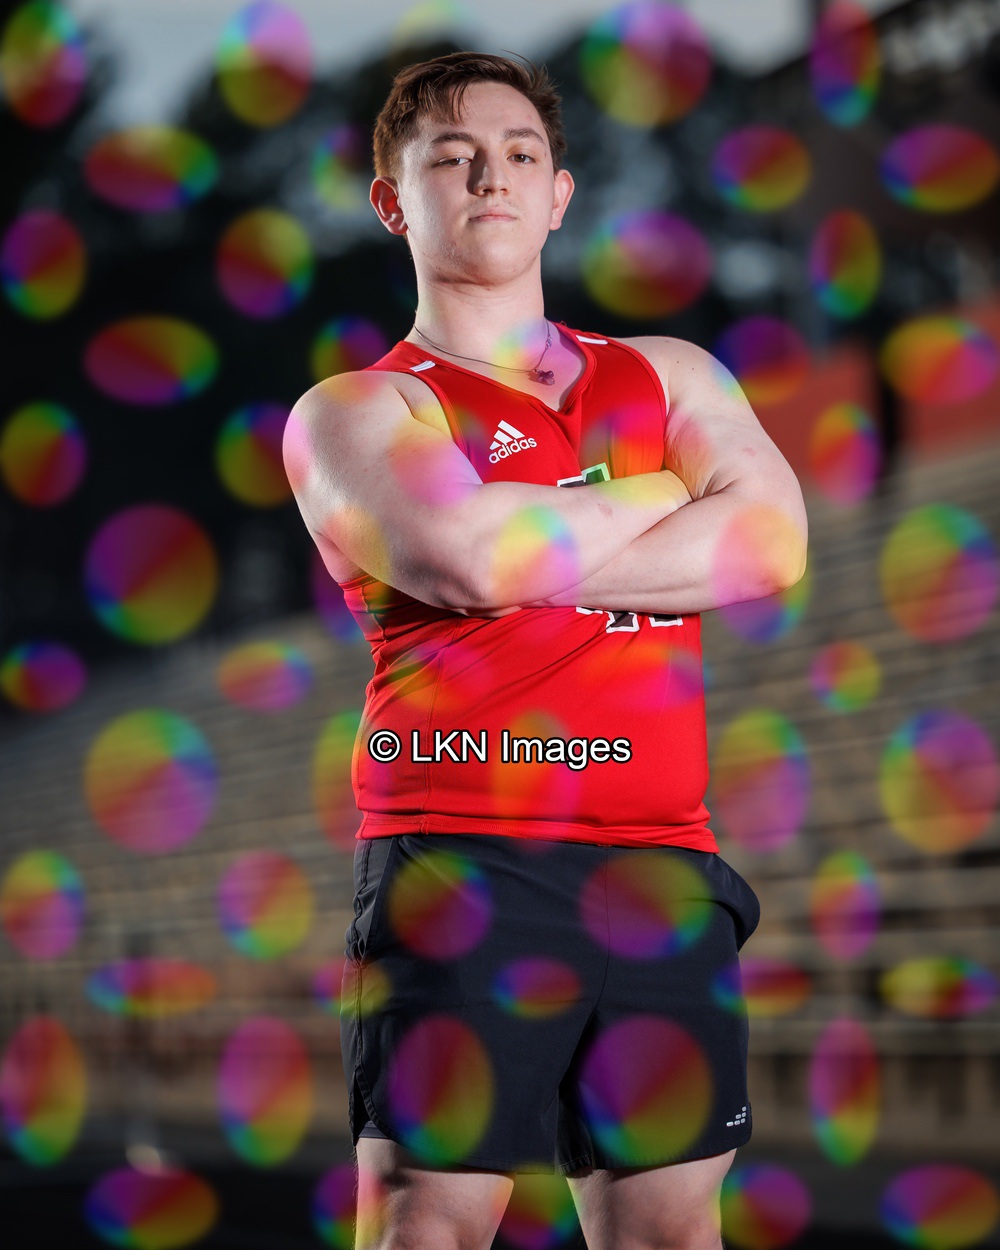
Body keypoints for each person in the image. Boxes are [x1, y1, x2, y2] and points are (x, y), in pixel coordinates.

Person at [284, 50, 807, 1250]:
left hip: (665, 862)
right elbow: (464, 560)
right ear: (392, 199)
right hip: (467, 855)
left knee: (672, 1228)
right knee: (428, 1219)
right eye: (453, 156)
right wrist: (665, 492)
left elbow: (771, 541)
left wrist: (526, 543)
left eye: (520, 153)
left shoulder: (669, 371)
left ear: (560, 194)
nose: (492, 176)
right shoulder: (360, 408)